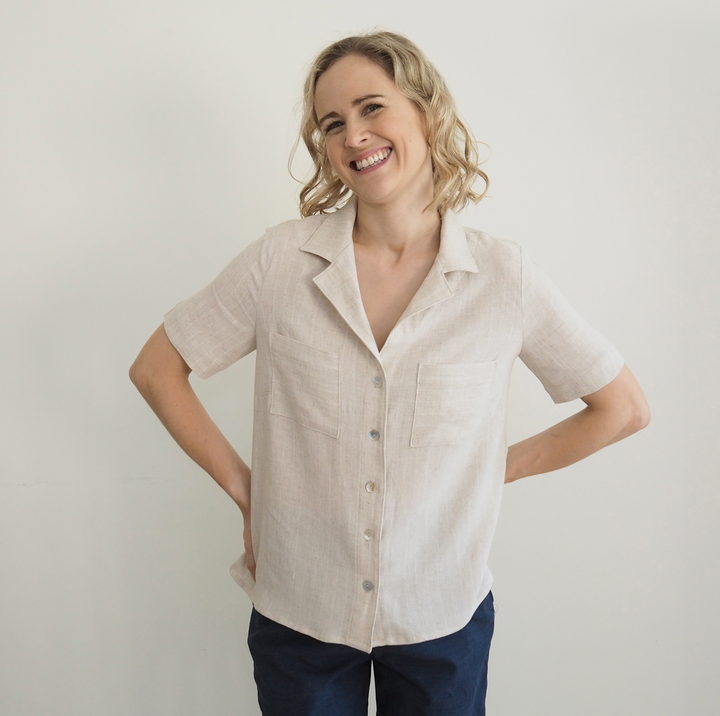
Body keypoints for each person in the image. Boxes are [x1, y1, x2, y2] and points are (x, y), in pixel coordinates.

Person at [130, 31, 650, 716]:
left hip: (441, 613)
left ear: (426, 110)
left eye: (372, 107)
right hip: (300, 610)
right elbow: (158, 369)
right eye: (332, 123)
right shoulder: (280, 262)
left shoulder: (503, 278)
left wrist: (491, 469)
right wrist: (247, 492)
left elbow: (622, 408)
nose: (354, 135)